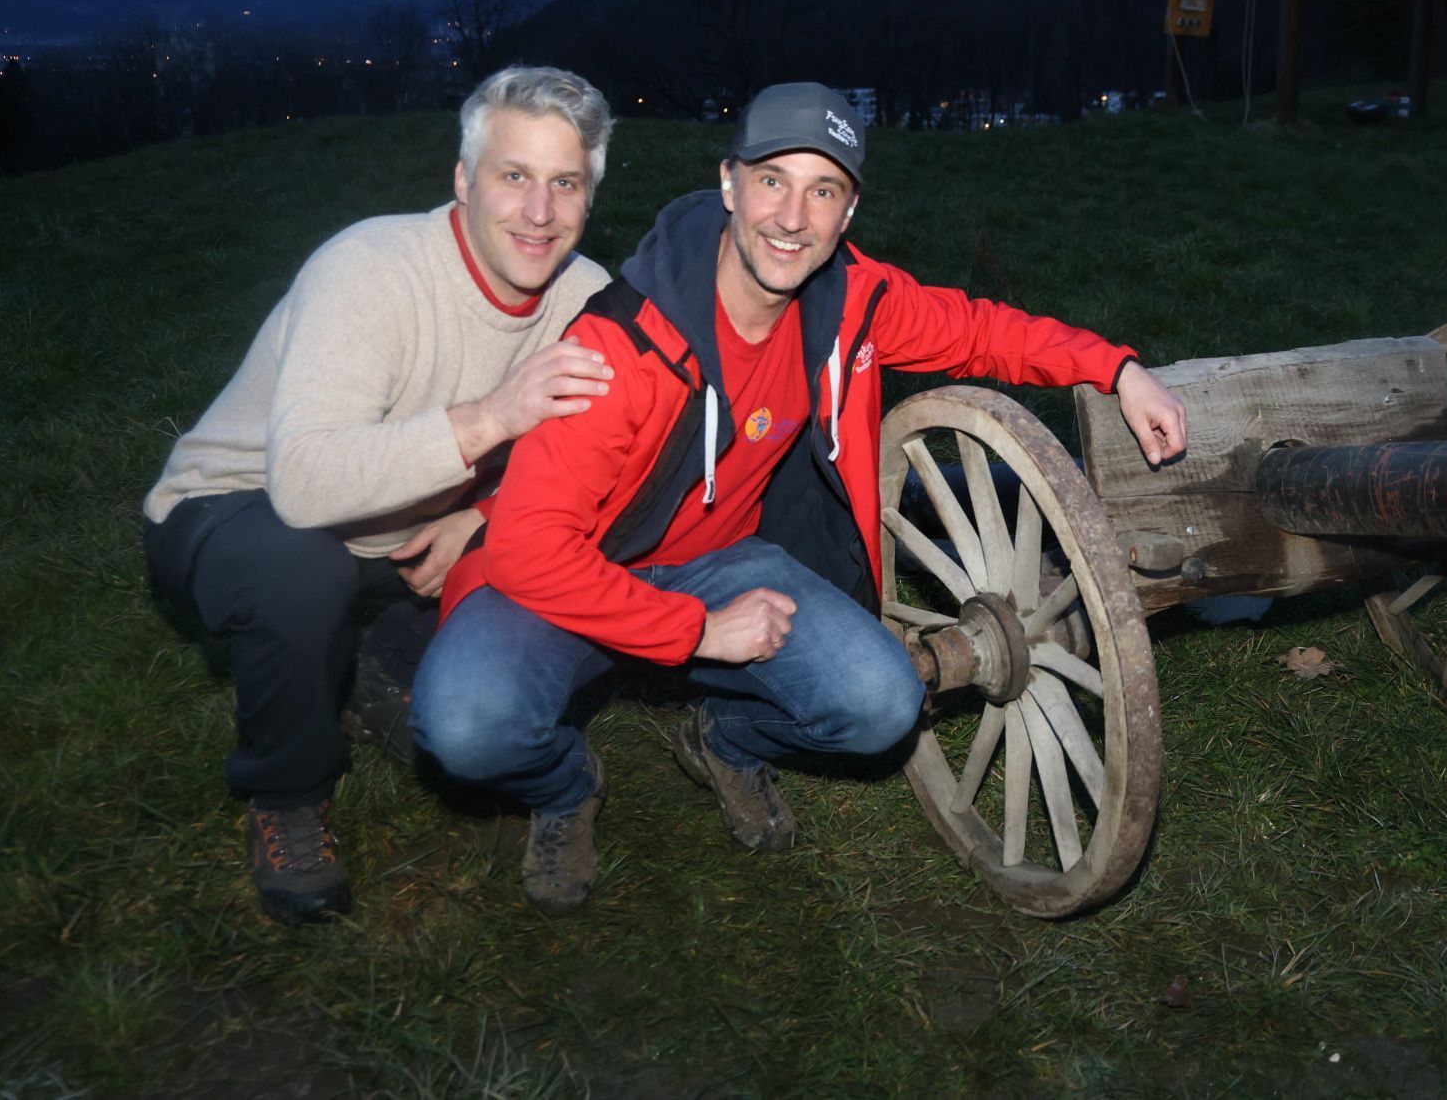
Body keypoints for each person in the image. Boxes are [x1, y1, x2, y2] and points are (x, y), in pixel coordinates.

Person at [410, 82, 1187, 915]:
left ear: (847, 214)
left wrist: (1114, 367)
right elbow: (531, 549)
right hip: (574, 574)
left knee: (883, 703)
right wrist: (698, 631)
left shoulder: (852, 301)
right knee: (464, 722)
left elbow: (981, 330)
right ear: (728, 183)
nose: (792, 216)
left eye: (824, 190)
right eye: (773, 179)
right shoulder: (620, 345)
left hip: (719, 561)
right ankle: (564, 790)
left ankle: (724, 738)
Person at [142, 65, 618, 925]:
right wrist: (489, 418)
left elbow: (614, 462)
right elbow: (305, 482)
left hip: (414, 526)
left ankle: (379, 667)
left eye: (565, 183)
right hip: (237, 506)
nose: (539, 212)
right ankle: (287, 791)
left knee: (545, 566)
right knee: (299, 572)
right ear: (464, 179)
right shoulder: (371, 268)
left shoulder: (588, 298)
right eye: (514, 177)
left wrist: (483, 514)